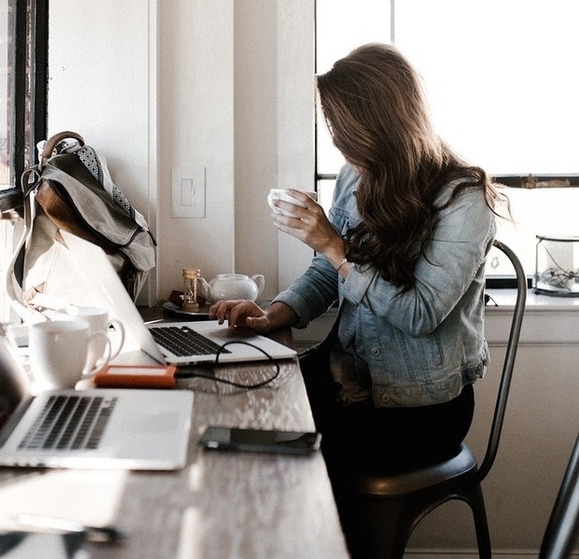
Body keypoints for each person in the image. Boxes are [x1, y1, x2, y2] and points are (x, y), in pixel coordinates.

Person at [209, 42, 506, 552]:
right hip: (349, 380)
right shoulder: (356, 177)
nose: (337, 141)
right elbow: (330, 271)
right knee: (236, 411)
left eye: (341, 128)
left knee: (290, 456)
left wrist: (333, 244)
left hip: (420, 409)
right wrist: (274, 312)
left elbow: (421, 314)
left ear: (379, 122)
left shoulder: (464, 198)